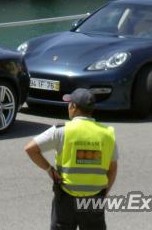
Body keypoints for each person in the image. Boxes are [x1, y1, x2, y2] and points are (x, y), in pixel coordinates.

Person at [24, 88, 118, 229]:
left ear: (73, 107)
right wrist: (104, 193)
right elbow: (112, 169)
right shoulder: (107, 134)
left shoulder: (62, 131)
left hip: (66, 198)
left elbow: (30, 149)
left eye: (69, 103)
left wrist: (50, 170)